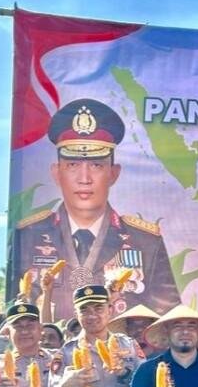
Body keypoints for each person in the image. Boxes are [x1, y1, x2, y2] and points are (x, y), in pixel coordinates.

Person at [14, 98, 180, 319]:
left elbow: (167, 321)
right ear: (56, 173)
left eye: (96, 165)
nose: (84, 178)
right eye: (73, 165)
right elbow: (15, 312)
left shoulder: (146, 242)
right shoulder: (28, 236)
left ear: (114, 173)